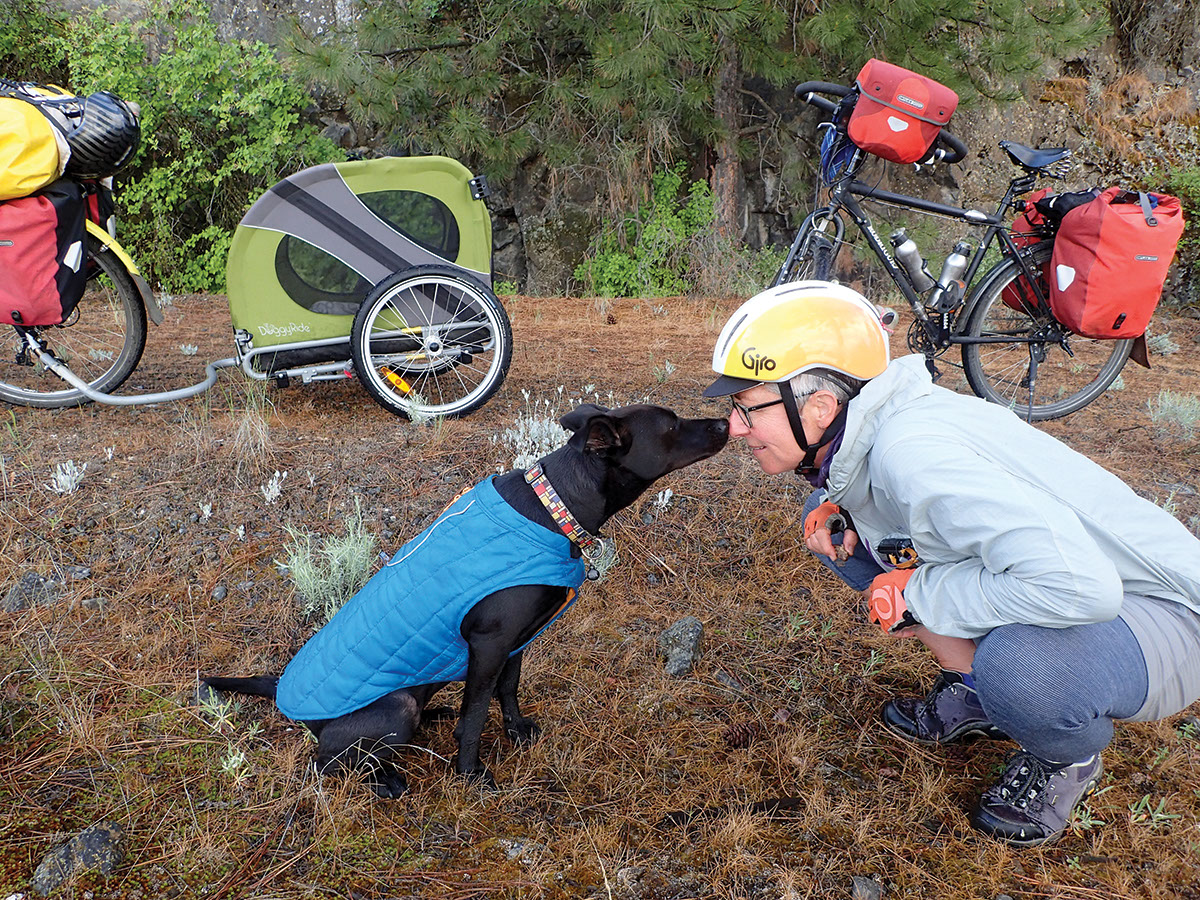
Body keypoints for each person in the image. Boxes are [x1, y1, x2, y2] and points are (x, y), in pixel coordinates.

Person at [703, 280, 1200, 847]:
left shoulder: (915, 455)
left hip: (1164, 609)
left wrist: (917, 594)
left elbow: (1081, 588)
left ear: (821, 406)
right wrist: (851, 518)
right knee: (831, 517)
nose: (736, 428)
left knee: (1021, 672)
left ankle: (1065, 755)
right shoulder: (875, 438)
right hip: (1081, 584)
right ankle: (980, 692)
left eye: (747, 408)